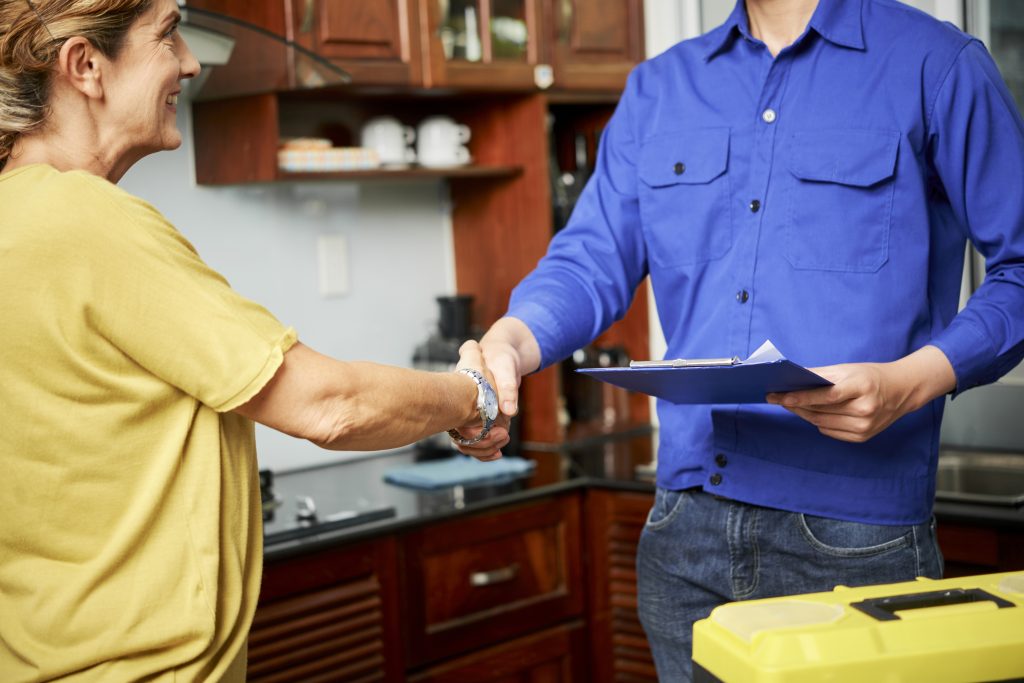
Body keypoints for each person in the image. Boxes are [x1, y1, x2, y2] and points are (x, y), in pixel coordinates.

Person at [461, 0, 1024, 679]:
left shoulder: (937, 66)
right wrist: (511, 343)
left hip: (856, 538)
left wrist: (919, 377)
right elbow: (589, 260)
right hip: (684, 531)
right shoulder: (658, 88)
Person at [0, 0, 507, 680]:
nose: (189, 61)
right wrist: (472, 394)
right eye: (168, 34)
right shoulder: (86, 219)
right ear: (86, 66)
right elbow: (331, 405)